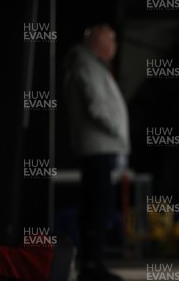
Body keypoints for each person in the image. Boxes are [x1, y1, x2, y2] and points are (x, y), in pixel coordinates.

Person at [63, 24, 128, 281]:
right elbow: (96, 106)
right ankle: (91, 265)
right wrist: (117, 131)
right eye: (111, 40)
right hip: (98, 147)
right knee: (96, 207)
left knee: (98, 206)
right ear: (98, 43)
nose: (115, 46)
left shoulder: (91, 64)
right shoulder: (85, 65)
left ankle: (92, 262)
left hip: (101, 146)